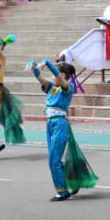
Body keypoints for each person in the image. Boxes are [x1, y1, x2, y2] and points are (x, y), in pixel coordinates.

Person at [28, 58, 97, 201]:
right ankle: (75, 171)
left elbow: (58, 76)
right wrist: (33, 66)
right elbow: (39, 77)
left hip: (60, 125)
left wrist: (47, 63)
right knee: (55, 159)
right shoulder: (52, 87)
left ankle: (63, 191)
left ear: (63, 75)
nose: (52, 77)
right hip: (50, 125)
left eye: (55, 74)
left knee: (53, 161)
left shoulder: (68, 87)